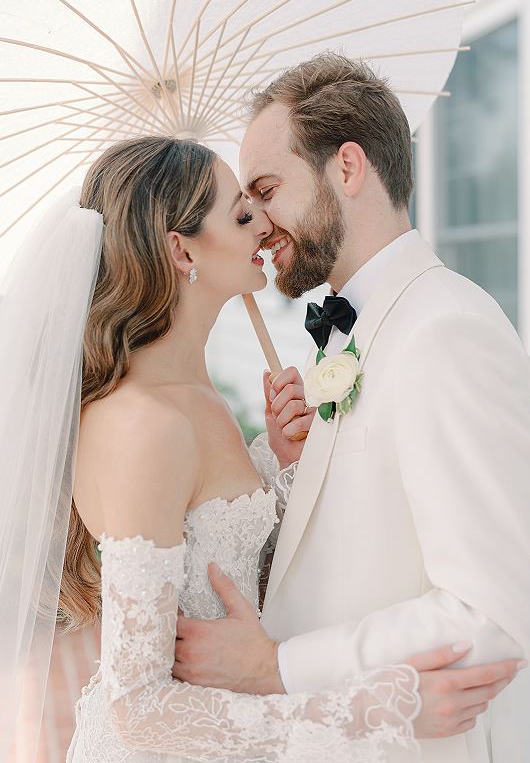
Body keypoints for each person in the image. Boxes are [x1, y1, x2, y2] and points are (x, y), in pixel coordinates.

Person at [3, 134, 512, 763]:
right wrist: (373, 711)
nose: (263, 228)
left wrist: (286, 466)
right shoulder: (143, 422)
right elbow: (137, 709)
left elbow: (233, 569)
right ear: (181, 248)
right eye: (242, 215)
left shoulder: (201, 396)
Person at [170, 54, 530, 763]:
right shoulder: (352, 334)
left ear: (349, 168)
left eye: (268, 189)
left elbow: (493, 614)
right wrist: (304, 470)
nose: (258, 224)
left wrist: (275, 668)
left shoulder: (445, 328)